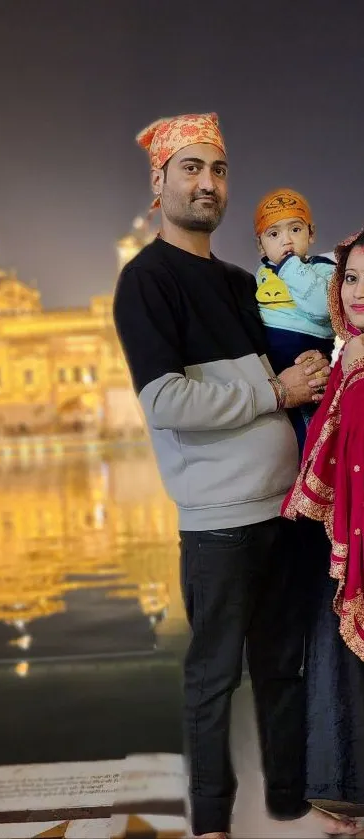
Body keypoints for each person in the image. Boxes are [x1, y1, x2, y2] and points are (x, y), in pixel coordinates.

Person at [112, 111, 336, 839]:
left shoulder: (246, 282)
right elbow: (168, 401)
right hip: (217, 520)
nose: (207, 183)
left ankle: (289, 806)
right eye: (190, 168)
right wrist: (276, 391)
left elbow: (288, 360)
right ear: (159, 181)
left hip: (285, 510)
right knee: (212, 678)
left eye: (218, 170)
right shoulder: (146, 282)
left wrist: (305, 368)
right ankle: (210, 822)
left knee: (282, 669)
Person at [283, 228, 364, 825]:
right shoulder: (348, 354)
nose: (358, 293)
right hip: (340, 533)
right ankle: (343, 785)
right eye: (352, 278)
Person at [254, 187, 335, 455]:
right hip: (272, 369)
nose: (286, 240)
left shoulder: (323, 269)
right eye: (274, 234)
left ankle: (313, 485)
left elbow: (322, 307)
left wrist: (289, 267)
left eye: (295, 230)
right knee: (281, 437)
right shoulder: (260, 274)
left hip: (307, 357)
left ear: (311, 234)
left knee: (313, 435)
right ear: (260, 245)